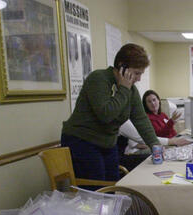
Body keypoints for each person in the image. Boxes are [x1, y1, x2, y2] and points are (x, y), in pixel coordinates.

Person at [61, 43, 160, 185]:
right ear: (122, 67)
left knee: (113, 187)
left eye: (141, 74)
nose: (138, 79)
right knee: (97, 190)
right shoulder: (99, 79)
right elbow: (106, 114)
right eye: (137, 73)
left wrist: (155, 144)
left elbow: (140, 119)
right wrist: (124, 89)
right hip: (83, 140)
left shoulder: (131, 91)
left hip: (107, 143)